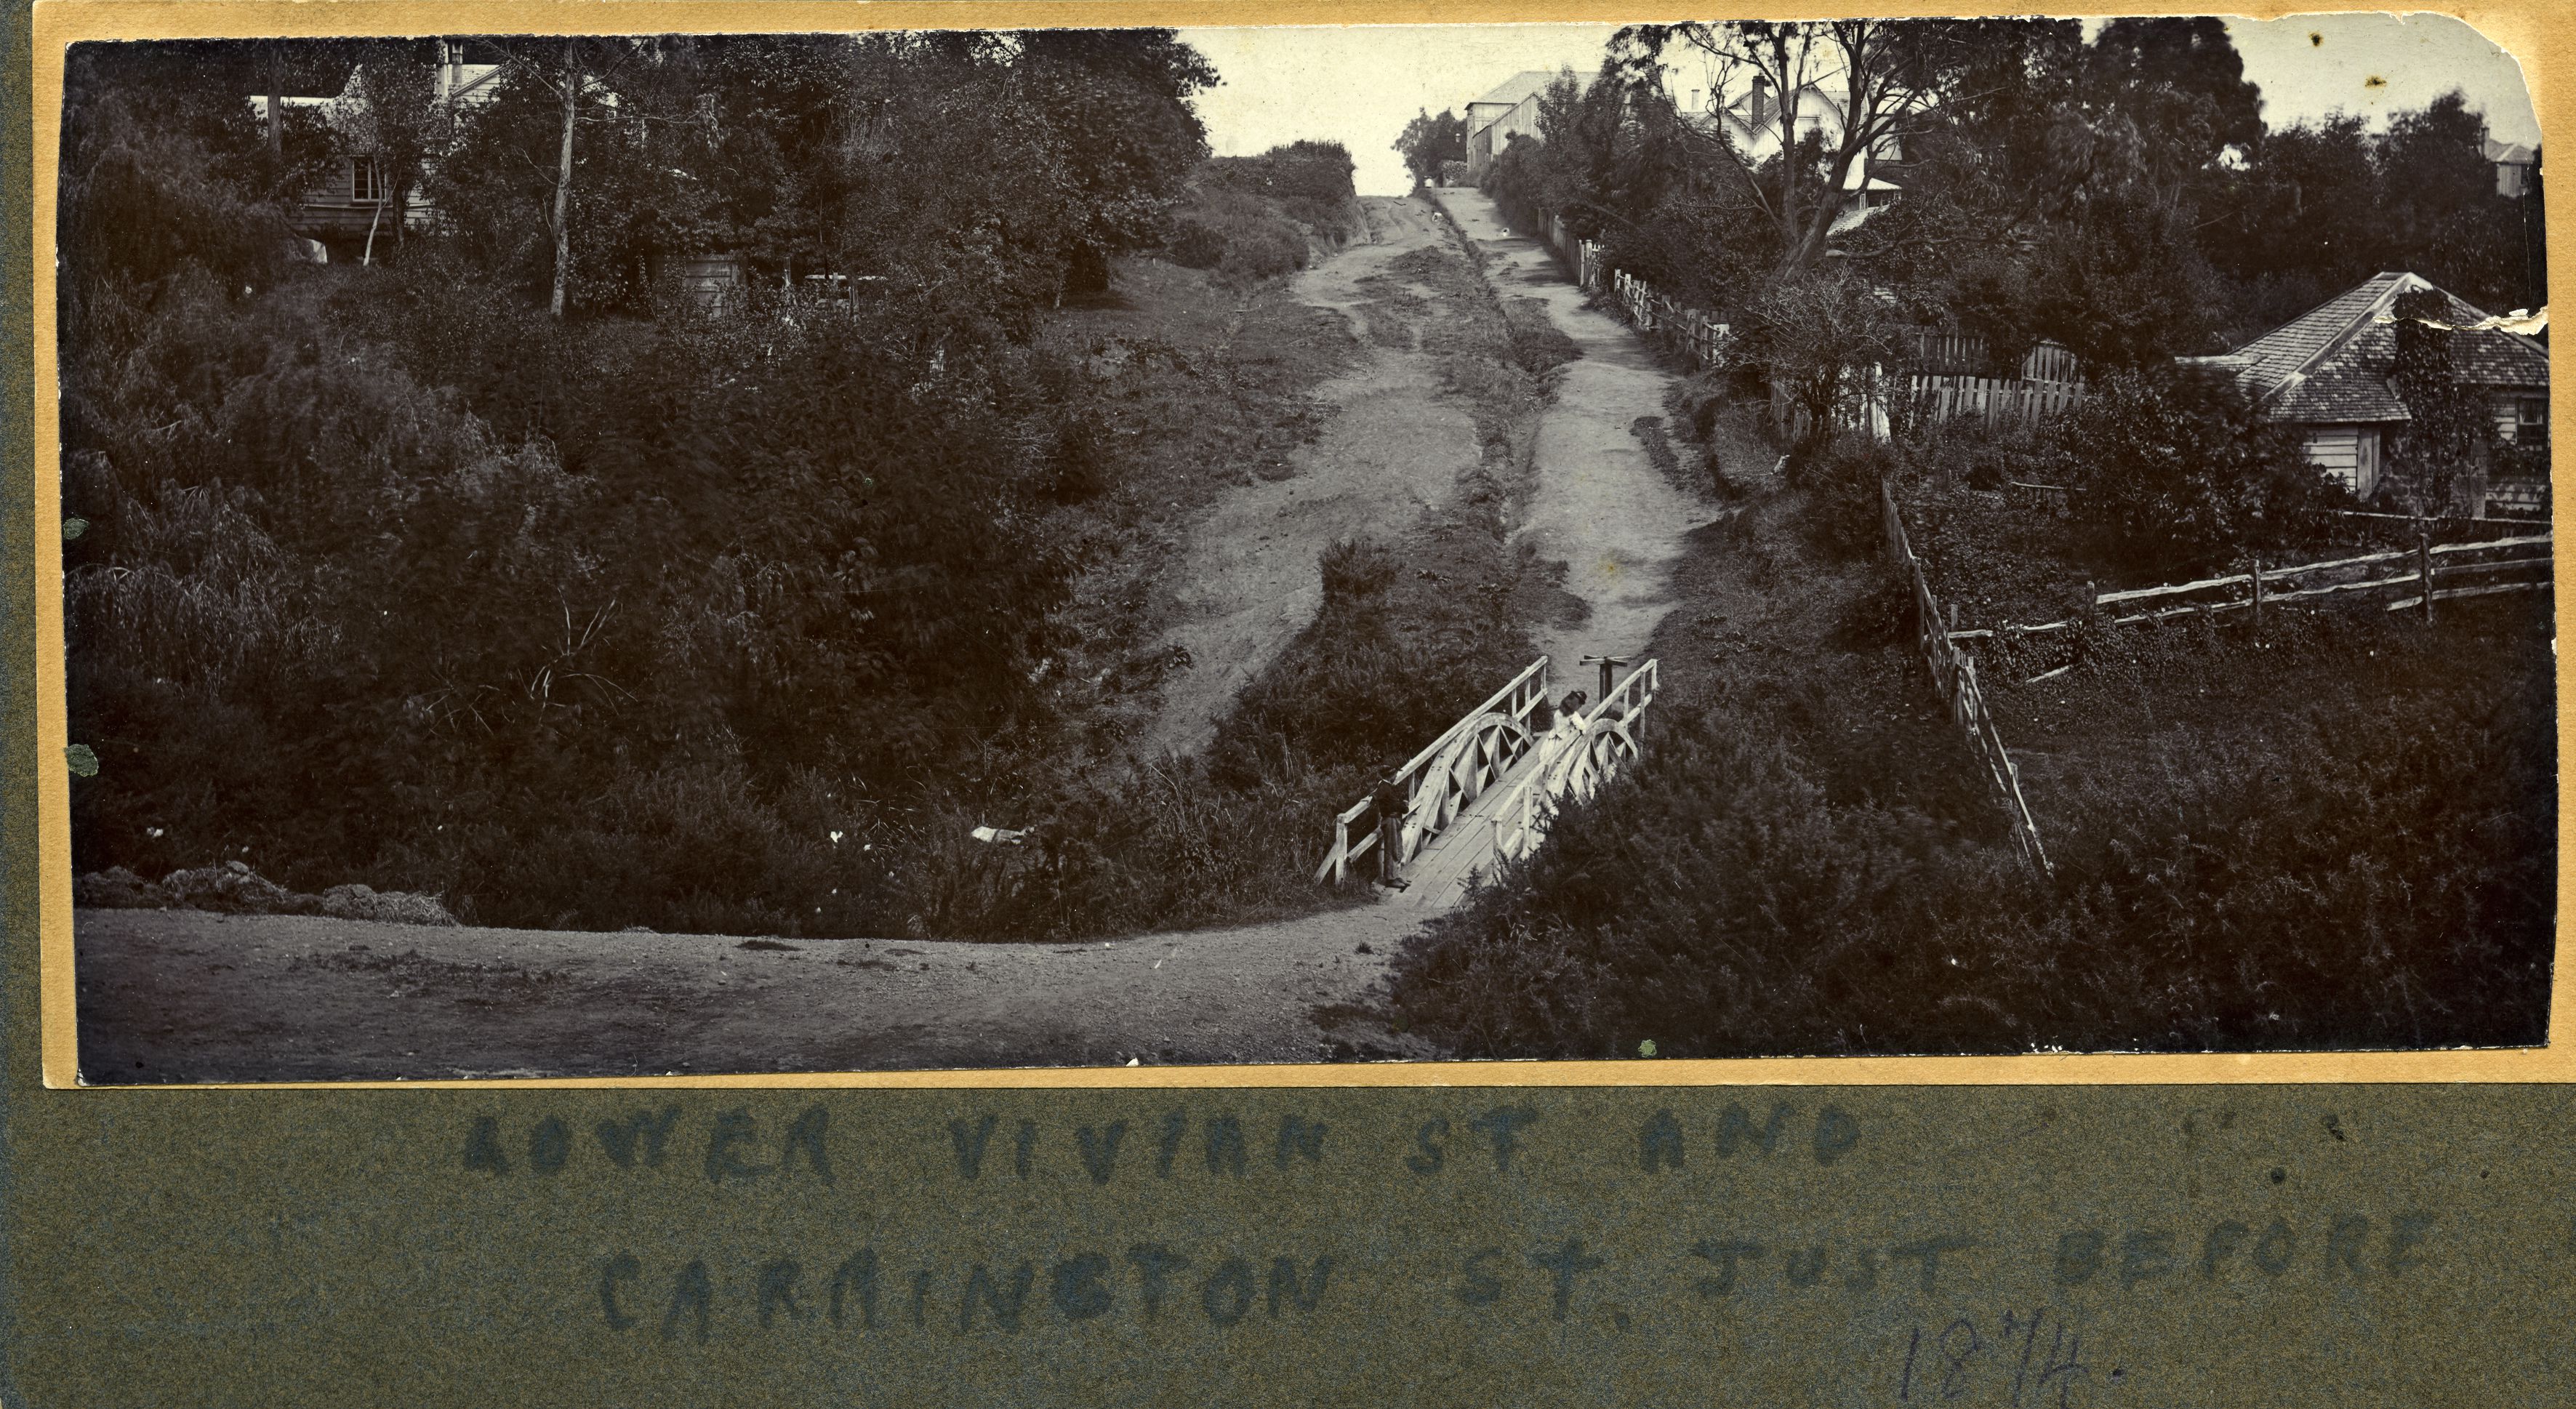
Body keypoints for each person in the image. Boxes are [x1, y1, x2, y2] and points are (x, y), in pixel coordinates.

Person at [1370, 776, 1409, 889]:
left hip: (1395, 819)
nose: (1396, 776)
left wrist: (1402, 805)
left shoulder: (1387, 786)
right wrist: (1403, 806)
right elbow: (1388, 803)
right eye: (1395, 774)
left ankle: (1395, 876)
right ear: (1391, 775)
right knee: (1392, 849)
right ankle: (1390, 879)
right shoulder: (1384, 786)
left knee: (1398, 848)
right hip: (1390, 820)